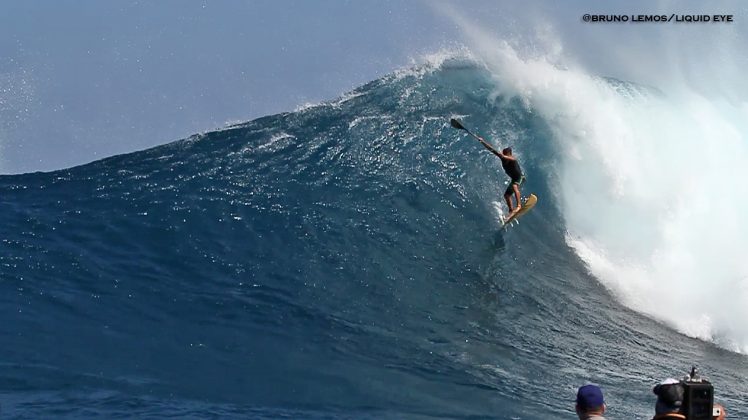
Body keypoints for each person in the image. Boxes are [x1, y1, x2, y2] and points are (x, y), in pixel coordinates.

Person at [475, 136, 525, 218]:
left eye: (506, 154)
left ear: (509, 154)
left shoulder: (512, 159)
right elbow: (491, 149)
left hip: (519, 177)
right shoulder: (503, 158)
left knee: (514, 186)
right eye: (504, 153)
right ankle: (511, 211)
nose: (504, 155)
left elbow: (504, 156)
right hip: (514, 179)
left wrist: (502, 156)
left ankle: (519, 206)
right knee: (506, 195)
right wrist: (482, 142)